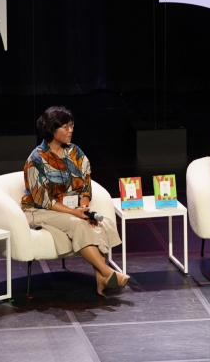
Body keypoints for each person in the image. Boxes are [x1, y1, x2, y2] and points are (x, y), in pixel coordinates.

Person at [22, 106, 129, 297]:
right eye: (65, 127)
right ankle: (107, 272)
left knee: (99, 222)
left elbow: (86, 183)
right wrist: (75, 213)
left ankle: (101, 280)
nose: (70, 130)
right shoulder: (36, 159)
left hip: (71, 208)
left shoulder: (75, 152)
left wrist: (85, 206)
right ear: (51, 130)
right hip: (42, 210)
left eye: (71, 126)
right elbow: (43, 200)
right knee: (78, 223)